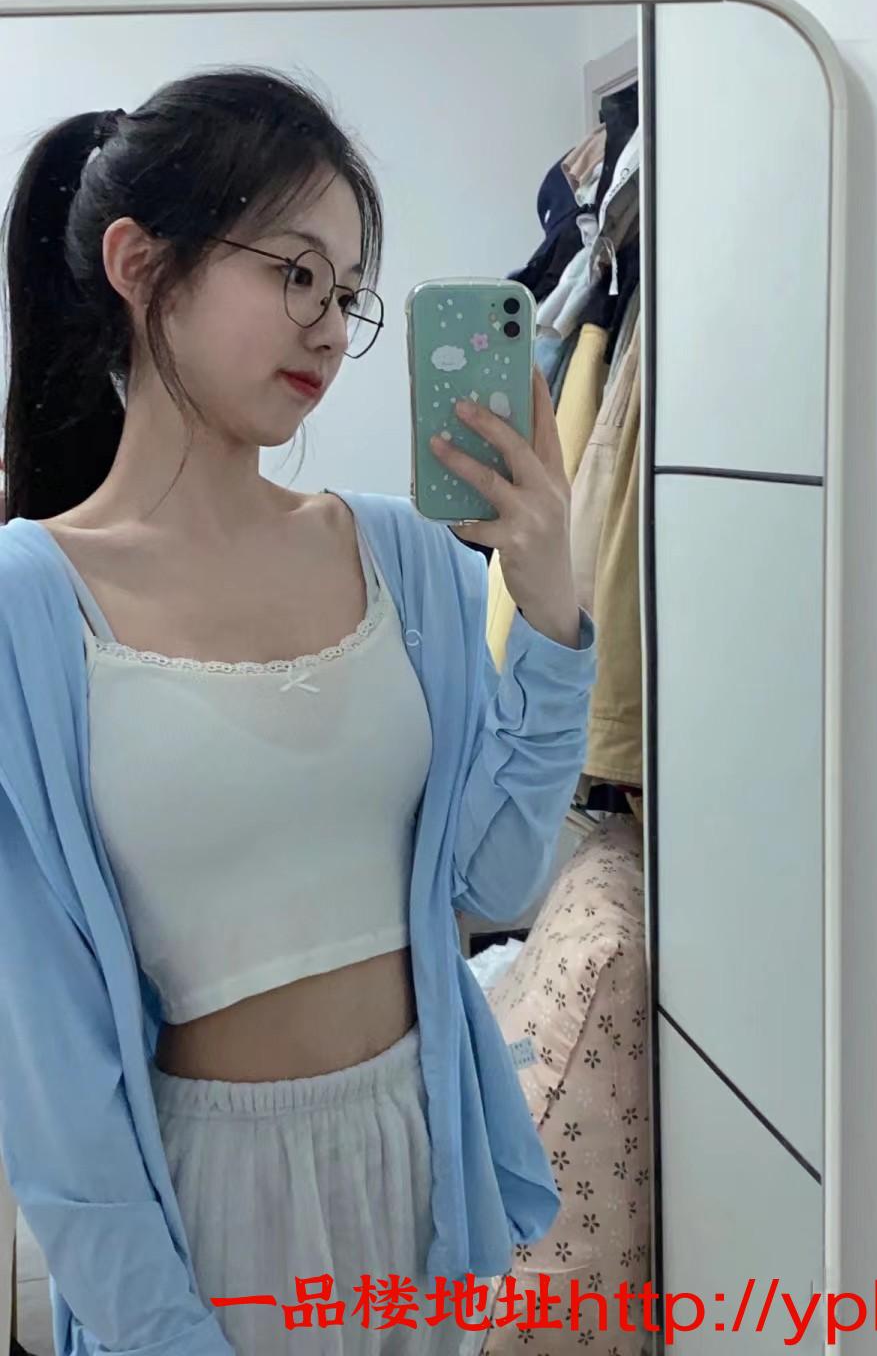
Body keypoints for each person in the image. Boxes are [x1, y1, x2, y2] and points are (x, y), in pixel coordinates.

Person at [0, 69, 596, 1355]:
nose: (328, 329)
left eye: (347, 294)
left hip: (421, 1163)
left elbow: (498, 876)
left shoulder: (405, 557)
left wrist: (550, 605)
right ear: (138, 264)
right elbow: (46, 1061)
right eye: (294, 273)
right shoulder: (26, 607)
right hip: (210, 1207)